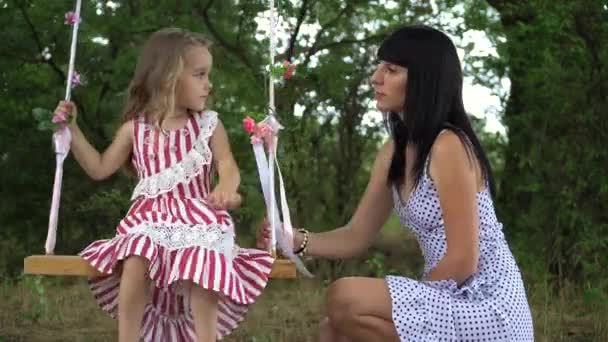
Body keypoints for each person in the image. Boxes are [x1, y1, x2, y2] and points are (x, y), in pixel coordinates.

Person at [259, 25, 534, 341]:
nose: (376, 78)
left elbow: (463, 260)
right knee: (334, 329)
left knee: (344, 297)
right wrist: (294, 238)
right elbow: (355, 236)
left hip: (485, 303)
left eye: (391, 69)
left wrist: (413, 302)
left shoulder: (448, 146)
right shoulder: (393, 152)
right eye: (379, 67)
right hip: (447, 296)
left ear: (423, 79)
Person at [54, 27, 274, 342]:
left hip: (200, 215)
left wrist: (226, 186)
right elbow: (99, 168)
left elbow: (228, 166)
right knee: (136, 254)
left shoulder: (209, 124)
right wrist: (72, 130)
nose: (208, 84)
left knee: (205, 258)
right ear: (168, 75)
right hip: (149, 218)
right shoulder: (135, 130)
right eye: (200, 74)